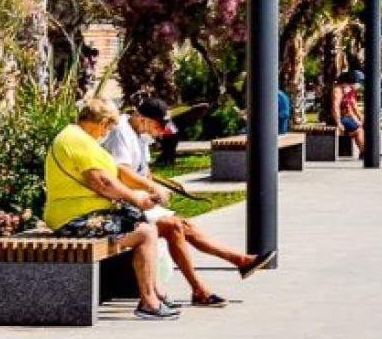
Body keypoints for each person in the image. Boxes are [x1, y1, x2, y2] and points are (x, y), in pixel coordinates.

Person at [108, 97, 271, 306]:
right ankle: (204, 287)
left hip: (140, 202)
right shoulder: (120, 132)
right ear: (142, 119)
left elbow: (144, 170)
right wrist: (151, 188)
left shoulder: (140, 133)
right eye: (158, 126)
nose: (160, 132)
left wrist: (154, 188)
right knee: (176, 226)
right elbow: (122, 172)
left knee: (187, 226)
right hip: (123, 205)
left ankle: (239, 262)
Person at [40, 97, 181, 321]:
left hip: (85, 213)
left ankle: (154, 292)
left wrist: (144, 193)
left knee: (145, 223)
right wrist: (135, 198)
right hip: (73, 219)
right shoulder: (77, 140)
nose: (109, 131)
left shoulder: (80, 138)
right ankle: (148, 302)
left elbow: (112, 175)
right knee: (145, 233)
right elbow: (102, 183)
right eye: (109, 126)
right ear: (102, 122)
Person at [334, 72, 364, 157]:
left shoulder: (349, 91)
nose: (358, 85)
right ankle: (365, 152)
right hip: (338, 118)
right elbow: (335, 107)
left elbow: (353, 107)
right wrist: (338, 123)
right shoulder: (337, 90)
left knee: (364, 127)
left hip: (345, 117)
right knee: (358, 130)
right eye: (356, 82)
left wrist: (360, 119)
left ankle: (367, 150)